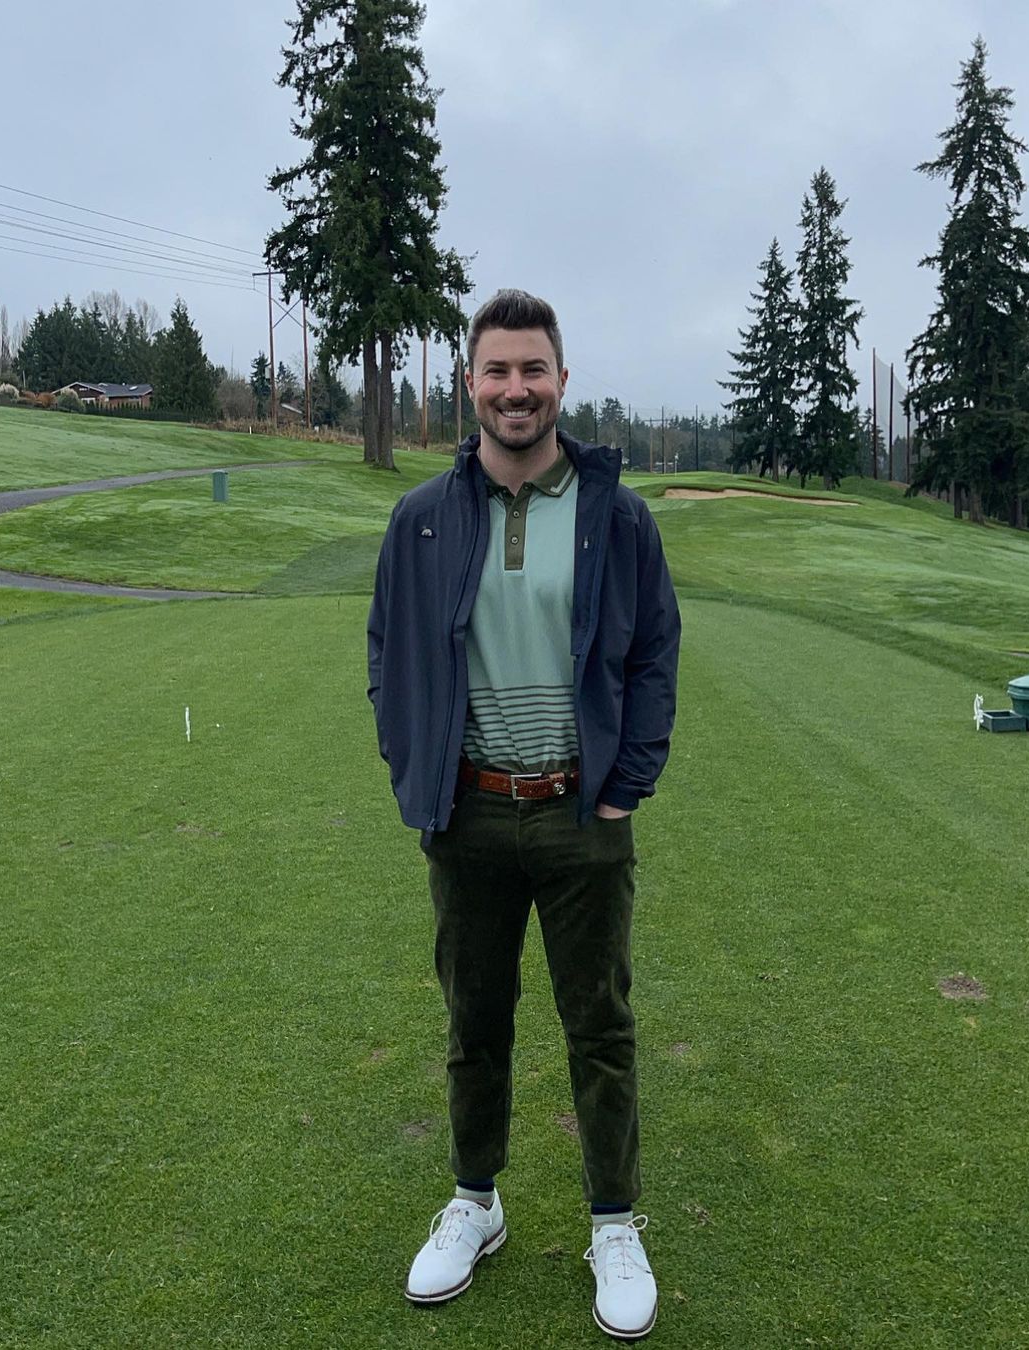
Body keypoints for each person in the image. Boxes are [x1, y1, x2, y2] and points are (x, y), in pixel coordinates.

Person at [367, 289, 680, 1341]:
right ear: (471, 384)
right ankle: (476, 1202)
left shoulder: (615, 515)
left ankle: (613, 1222)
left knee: (600, 1026)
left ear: (561, 380)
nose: (516, 389)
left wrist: (626, 782)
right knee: (475, 1022)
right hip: (467, 812)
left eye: (532, 370)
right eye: (497, 370)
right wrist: (412, 765)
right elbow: (387, 652)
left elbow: (655, 652)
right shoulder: (421, 518)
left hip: (579, 812)